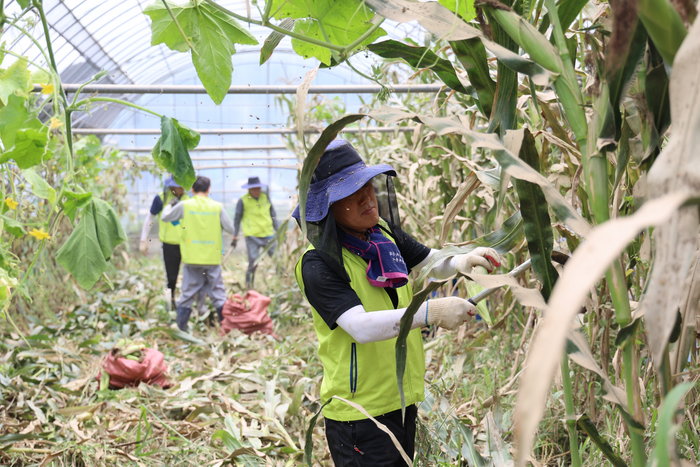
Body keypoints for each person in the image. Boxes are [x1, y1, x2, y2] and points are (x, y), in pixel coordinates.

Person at [293, 140, 501, 466]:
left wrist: (461, 261)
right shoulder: (317, 264)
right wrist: (431, 312)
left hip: (401, 400)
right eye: (350, 192)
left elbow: (430, 262)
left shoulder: (383, 236)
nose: (366, 197)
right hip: (359, 414)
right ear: (327, 207)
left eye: (367, 185)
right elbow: (359, 327)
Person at [161, 176, 236, 331]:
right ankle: (226, 329)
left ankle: (181, 329)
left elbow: (165, 217)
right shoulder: (217, 207)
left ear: (192, 189)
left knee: (187, 294)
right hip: (212, 258)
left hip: (192, 258)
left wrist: (169, 205)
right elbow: (231, 229)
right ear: (209, 189)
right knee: (218, 294)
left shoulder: (185, 205)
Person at [139, 175, 204, 311]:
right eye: (178, 186)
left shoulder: (188, 199)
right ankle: (169, 306)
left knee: (193, 275)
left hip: (187, 244)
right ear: (171, 186)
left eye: (182, 185)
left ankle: (195, 305)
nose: (181, 188)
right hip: (169, 245)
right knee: (171, 278)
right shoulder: (161, 198)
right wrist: (143, 240)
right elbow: (150, 218)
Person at [232, 176, 279, 288]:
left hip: (268, 234)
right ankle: (249, 285)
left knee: (278, 259)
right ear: (249, 189)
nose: (256, 191)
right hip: (252, 236)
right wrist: (235, 235)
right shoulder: (242, 201)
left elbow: (273, 215)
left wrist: (279, 230)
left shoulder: (265, 197)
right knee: (253, 261)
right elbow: (237, 219)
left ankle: (284, 281)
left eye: (258, 188)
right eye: (254, 189)